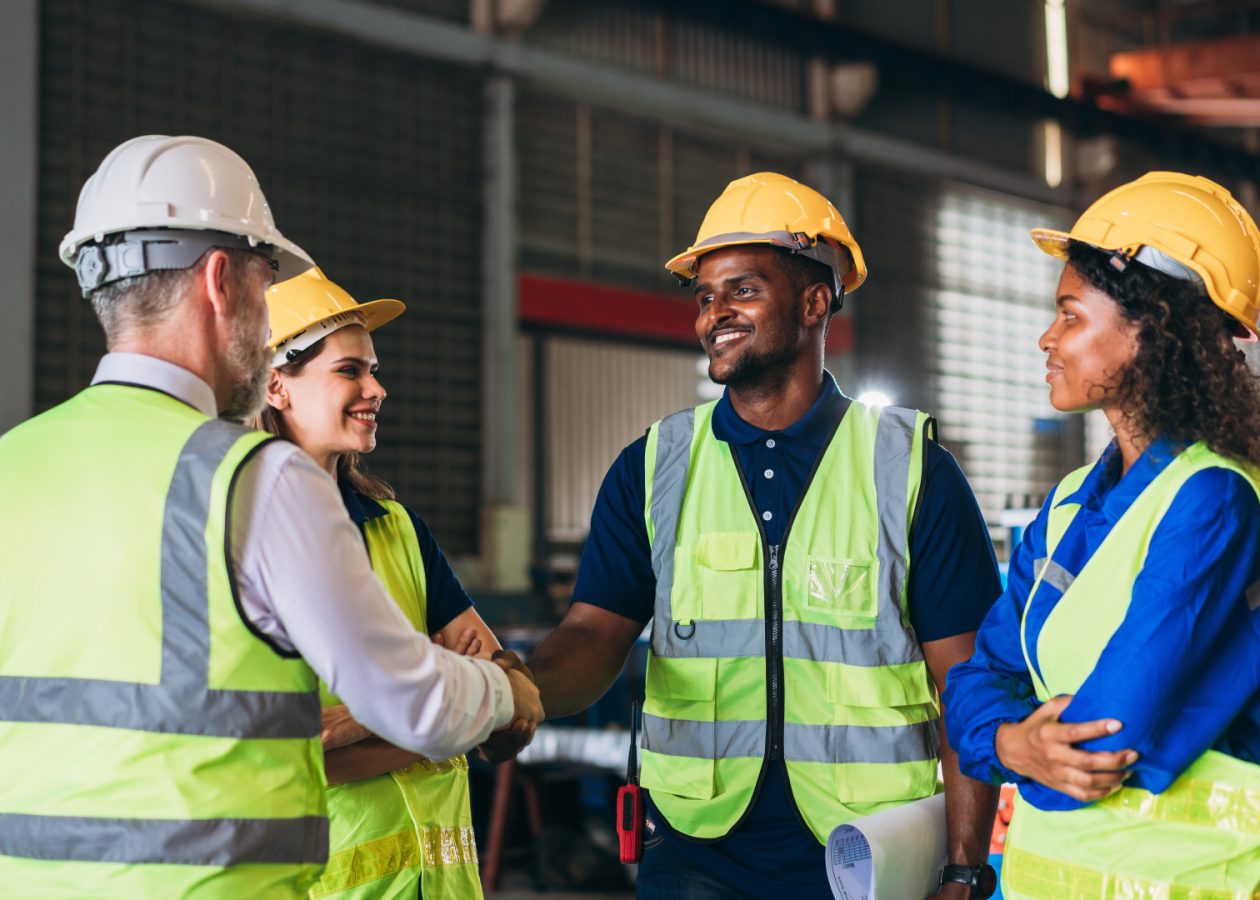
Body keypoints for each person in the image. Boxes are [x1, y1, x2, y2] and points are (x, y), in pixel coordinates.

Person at [0, 135, 541, 898]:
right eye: (264, 286)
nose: (263, 319)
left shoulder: (11, 466)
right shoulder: (250, 478)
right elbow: (414, 701)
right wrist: (506, 694)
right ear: (221, 282)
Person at [527, 172, 1003, 899]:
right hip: (694, 849)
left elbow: (966, 683)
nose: (714, 312)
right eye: (705, 295)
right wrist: (511, 691)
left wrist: (966, 867)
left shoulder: (911, 472)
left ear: (816, 303)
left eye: (742, 289)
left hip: (871, 854)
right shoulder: (654, 467)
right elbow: (592, 634)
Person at [943, 172, 1260, 898]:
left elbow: (1103, 745)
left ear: (1150, 329)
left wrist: (1004, 747)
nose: (1046, 338)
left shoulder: (1213, 502)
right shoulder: (1064, 507)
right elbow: (973, 682)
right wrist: (1009, 740)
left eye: (1071, 317)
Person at [257, 266, 499, 899]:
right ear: (277, 386)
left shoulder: (397, 527)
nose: (376, 389)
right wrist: (433, 694)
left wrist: (362, 721)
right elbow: (274, 748)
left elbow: (494, 687)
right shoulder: (240, 537)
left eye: (374, 370)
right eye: (349, 371)